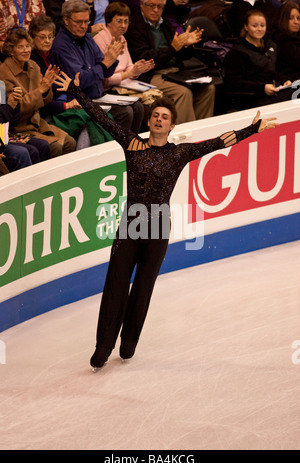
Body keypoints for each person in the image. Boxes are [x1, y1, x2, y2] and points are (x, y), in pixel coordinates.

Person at [55, 70, 278, 369]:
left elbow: (218, 142)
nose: (159, 119)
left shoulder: (180, 153)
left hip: (159, 224)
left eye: (165, 117)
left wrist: (252, 130)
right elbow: (102, 118)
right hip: (132, 221)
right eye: (155, 115)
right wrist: (77, 92)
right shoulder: (131, 142)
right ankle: (103, 346)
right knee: (117, 282)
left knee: (144, 285)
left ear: (173, 125)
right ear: (149, 121)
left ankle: (129, 341)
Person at [52, 0, 145, 132]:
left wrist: (112, 59)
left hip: (98, 95)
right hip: (80, 102)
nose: (84, 26)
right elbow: (80, 80)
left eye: (86, 22)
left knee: (138, 107)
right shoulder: (61, 45)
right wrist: (106, 63)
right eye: (79, 22)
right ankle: (120, 149)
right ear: (66, 20)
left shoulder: (87, 39)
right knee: (126, 113)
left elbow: (106, 71)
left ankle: (133, 148)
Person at [29, 15, 114, 149]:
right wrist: (67, 105)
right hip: (49, 114)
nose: (47, 41)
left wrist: (73, 90)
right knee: (95, 116)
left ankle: (99, 159)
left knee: (99, 115)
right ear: (33, 38)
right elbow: (40, 104)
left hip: (65, 106)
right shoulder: (31, 63)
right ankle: (89, 160)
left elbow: (67, 85)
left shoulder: (55, 55)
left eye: (50, 37)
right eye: (42, 37)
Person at [124, 0, 216, 124]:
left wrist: (186, 45)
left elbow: (183, 56)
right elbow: (145, 59)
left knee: (208, 89)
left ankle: (202, 131)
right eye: (152, 6)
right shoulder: (134, 26)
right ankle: (186, 136)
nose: (156, 10)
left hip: (176, 72)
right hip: (152, 74)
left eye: (160, 7)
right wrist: (173, 48)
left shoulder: (165, 23)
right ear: (142, 5)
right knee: (182, 92)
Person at [0, 28, 76, 158]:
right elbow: (16, 110)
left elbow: (44, 102)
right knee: (55, 147)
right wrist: (40, 90)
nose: (26, 50)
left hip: (37, 122)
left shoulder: (33, 66)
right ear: (11, 51)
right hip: (17, 128)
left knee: (70, 142)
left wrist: (46, 89)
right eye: (20, 47)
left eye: (28, 46)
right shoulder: (4, 72)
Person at [93, 2, 156, 130]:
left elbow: (129, 67)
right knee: (129, 111)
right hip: (105, 90)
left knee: (141, 106)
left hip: (121, 86)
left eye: (126, 21)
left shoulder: (121, 38)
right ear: (109, 21)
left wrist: (138, 69)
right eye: (119, 21)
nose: (123, 25)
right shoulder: (99, 40)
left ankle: (134, 143)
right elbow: (104, 79)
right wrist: (129, 74)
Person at [223, 9, 297, 109]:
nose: (259, 29)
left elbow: (274, 71)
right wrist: (262, 89)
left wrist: (285, 81)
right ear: (246, 27)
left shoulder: (270, 45)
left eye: (262, 25)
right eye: (255, 26)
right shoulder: (237, 52)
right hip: (252, 97)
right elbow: (233, 83)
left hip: (274, 91)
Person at [272, 1, 300, 83]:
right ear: (283, 19)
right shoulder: (281, 39)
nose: (296, 22)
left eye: (298, 18)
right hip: (288, 83)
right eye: (291, 18)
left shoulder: (297, 38)